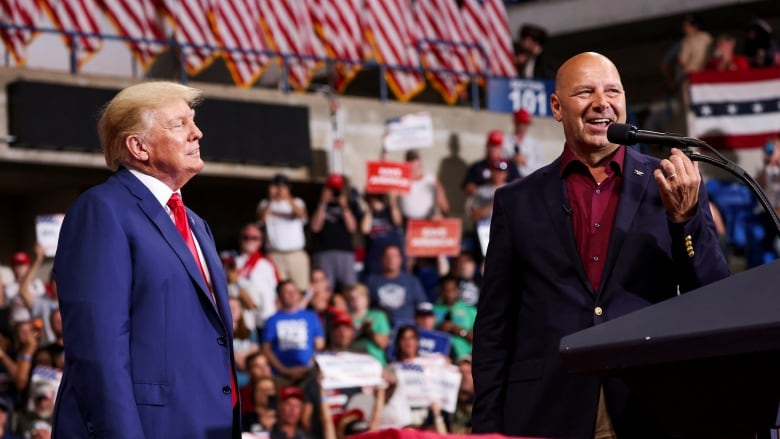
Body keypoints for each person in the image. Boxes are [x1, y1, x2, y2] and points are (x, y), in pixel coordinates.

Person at [471, 52, 730, 438]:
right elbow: (494, 326)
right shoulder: (516, 201)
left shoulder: (670, 185)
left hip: (647, 405)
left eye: (612, 91)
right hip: (546, 409)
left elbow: (712, 295)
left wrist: (685, 220)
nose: (601, 102)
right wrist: (486, 427)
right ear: (557, 108)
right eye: (585, 92)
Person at [52, 81, 240, 438]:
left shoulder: (198, 225)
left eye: (194, 121)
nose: (196, 133)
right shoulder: (102, 211)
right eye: (179, 124)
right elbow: (99, 351)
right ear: (138, 147)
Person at [258, 174, 311, 293]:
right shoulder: (265, 204)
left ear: (289, 187)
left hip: (296, 253)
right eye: (277, 186)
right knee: (278, 290)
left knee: (301, 289)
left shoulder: (297, 201)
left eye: (283, 186)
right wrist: (272, 199)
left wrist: (287, 197)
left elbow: (302, 215)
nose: (280, 189)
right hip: (275, 254)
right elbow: (261, 221)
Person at [310, 173, 359, 293]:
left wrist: (345, 207)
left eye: (337, 189)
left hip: (345, 251)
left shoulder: (351, 204)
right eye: (331, 189)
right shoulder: (316, 203)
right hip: (323, 251)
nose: (334, 193)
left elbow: (352, 228)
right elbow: (315, 227)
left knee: (349, 288)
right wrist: (322, 203)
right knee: (325, 289)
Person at [462, 131, 521, 196]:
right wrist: (484, 192)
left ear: (501, 147)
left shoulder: (509, 165)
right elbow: (468, 187)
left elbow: (518, 184)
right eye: (492, 145)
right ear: (487, 146)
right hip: (483, 201)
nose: (494, 149)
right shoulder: (478, 166)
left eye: (497, 146)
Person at [504, 108, 543, 178]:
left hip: (529, 179)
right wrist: (512, 160)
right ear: (515, 122)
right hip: (510, 180)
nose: (524, 126)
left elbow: (542, 165)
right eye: (521, 122)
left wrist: (526, 162)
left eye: (526, 123)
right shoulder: (505, 141)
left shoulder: (534, 143)